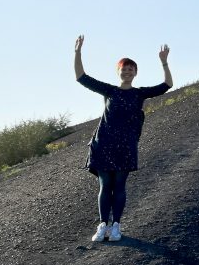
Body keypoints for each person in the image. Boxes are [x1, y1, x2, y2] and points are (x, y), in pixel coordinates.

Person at [74, 35, 173, 242]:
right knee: (104, 185)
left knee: (119, 185)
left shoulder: (139, 93)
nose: (127, 72)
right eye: (124, 69)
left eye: (130, 69)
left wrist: (164, 62)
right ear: (118, 72)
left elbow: (167, 85)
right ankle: (102, 225)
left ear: (135, 73)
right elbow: (82, 77)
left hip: (126, 146)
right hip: (104, 144)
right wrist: (78, 53)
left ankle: (116, 226)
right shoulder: (109, 91)